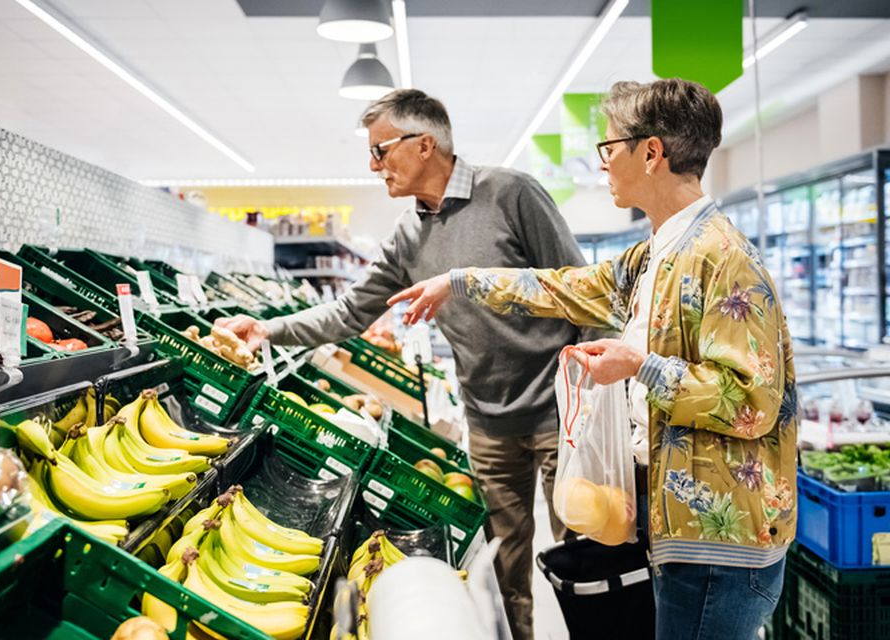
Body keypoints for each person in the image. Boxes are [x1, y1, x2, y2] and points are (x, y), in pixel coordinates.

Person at [388, 78, 797, 640]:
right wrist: (458, 282)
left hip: (719, 546)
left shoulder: (723, 259)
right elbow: (564, 287)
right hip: (683, 527)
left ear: (651, 153)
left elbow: (753, 402)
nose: (602, 163)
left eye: (608, 148)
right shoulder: (655, 253)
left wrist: (640, 367)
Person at [217, 88, 590, 640]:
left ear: (424, 144)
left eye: (380, 150)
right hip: (487, 422)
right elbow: (348, 312)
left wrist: (599, 394)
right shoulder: (407, 236)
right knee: (506, 566)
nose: (373, 167)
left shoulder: (511, 193)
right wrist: (267, 329)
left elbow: (580, 288)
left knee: (580, 553)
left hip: (559, 408)